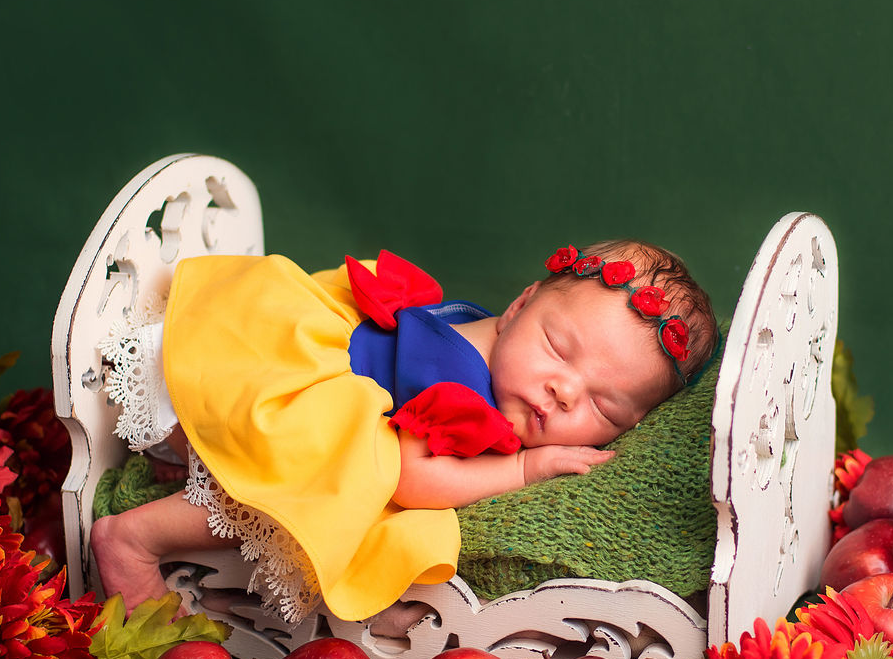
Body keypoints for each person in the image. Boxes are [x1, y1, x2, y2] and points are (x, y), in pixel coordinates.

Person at [89, 240, 719, 625]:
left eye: (603, 407)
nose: (564, 390)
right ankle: (136, 537)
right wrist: (525, 468)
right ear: (522, 306)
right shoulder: (455, 379)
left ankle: (178, 452)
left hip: (265, 376)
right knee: (315, 484)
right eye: (558, 347)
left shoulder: (494, 345)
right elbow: (414, 480)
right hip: (284, 398)